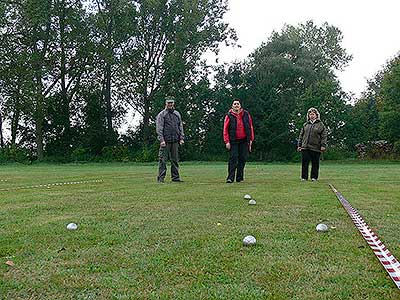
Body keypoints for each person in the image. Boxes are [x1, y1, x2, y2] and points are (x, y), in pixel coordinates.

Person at [223, 99, 254, 183]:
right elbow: (225, 129)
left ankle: (239, 178)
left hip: (244, 140)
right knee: (233, 158)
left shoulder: (246, 114)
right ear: (232, 106)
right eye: (235, 104)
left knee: (242, 158)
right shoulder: (229, 115)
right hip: (233, 140)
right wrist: (227, 141)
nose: (236, 105)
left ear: (240, 105)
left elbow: (250, 127)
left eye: (238, 104)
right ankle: (230, 178)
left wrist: (251, 139)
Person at [156, 96, 184, 183]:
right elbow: (159, 128)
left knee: (175, 160)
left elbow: (180, 126)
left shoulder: (177, 114)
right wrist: (161, 140)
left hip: (175, 140)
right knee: (163, 160)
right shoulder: (162, 114)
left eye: (171, 103)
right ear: (166, 103)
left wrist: (181, 138)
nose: (170, 104)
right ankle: (161, 178)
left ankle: (175, 178)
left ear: (173, 103)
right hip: (165, 141)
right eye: (168, 103)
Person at [297, 107, 327, 181]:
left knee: (315, 163)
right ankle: (304, 177)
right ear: (308, 115)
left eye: (313, 114)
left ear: (316, 115)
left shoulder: (321, 125)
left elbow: (324, 136)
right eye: (310, 114)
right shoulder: (305, 125)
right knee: (304, 163)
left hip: (316, 147)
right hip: (305, 147)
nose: (312, 115)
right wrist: (299, 145)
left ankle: (314, 177)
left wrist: (323, 145)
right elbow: (301, 135)